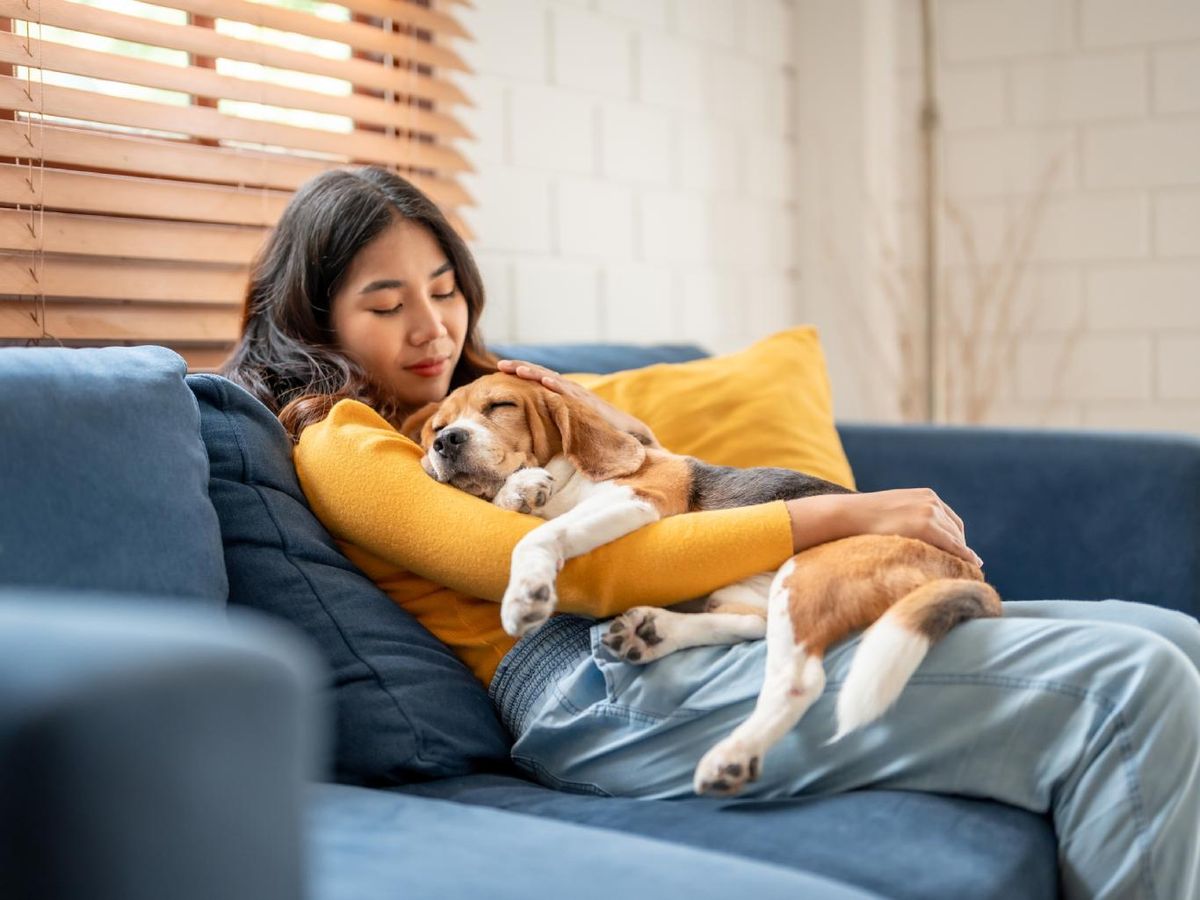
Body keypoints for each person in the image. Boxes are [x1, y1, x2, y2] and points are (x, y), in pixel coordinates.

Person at [222, 165, 1200, 900]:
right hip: (595, 686)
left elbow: (663, 487)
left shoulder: (501, 395)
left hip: (694, 624)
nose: (432, 326)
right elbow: (578, 575)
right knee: (1132, 685)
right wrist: (850, 511)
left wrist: (584, 416)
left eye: (443, 288)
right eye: (386, 303)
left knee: (1171, 635)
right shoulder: (341, 441)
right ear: (316, 323)